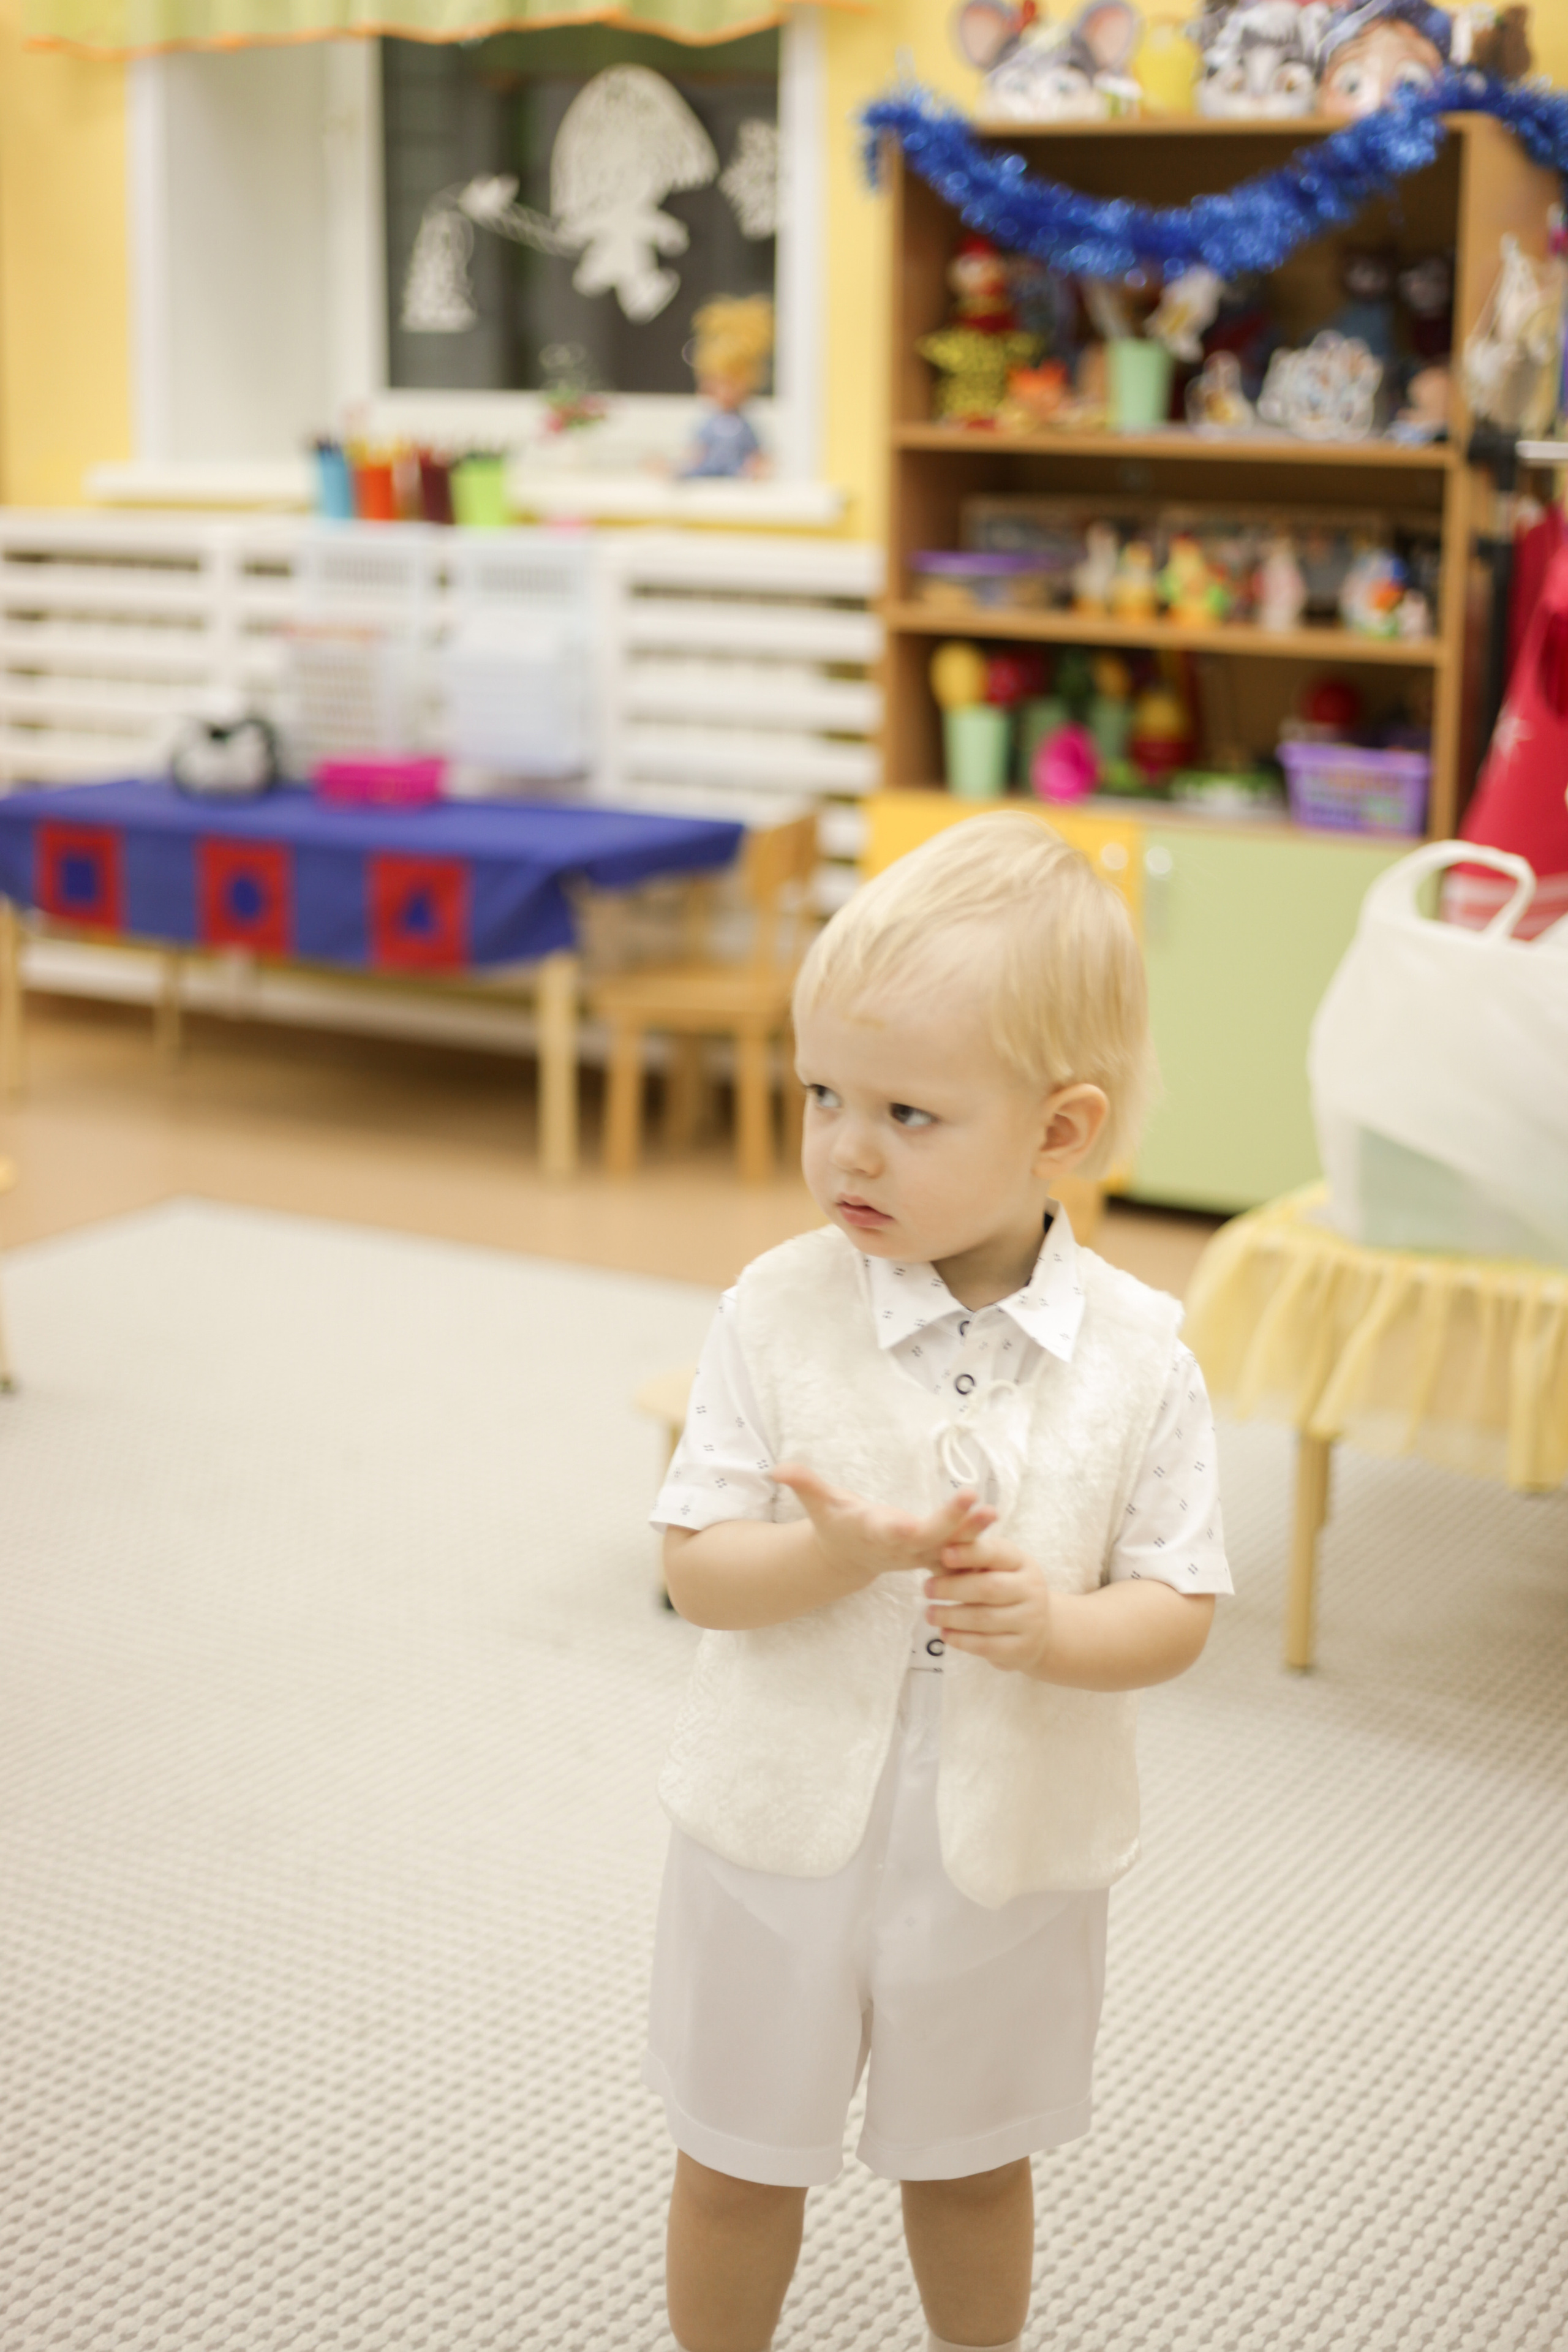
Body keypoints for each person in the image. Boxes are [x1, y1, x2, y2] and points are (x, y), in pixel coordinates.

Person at [644, 810, 1232, 2352]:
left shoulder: (1139, 1361)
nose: (843, 1144)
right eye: (819, 1092)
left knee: (970, 2173)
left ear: (1058, 1131)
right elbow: (695, 1573)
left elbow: (1177, 1604)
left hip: (1003, 1854)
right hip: (774, 1833)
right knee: (730, 2164)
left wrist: (1058, 1629)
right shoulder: (773, 1313)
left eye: (905, 1111)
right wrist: (822, 1557)